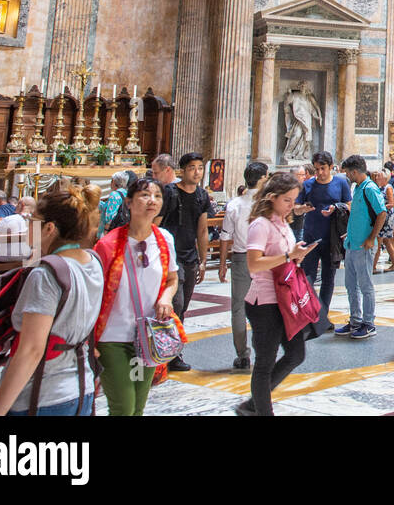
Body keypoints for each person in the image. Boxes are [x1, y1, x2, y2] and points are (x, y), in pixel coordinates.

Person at [0, 181, 103, 416]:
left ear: (49, 228)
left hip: (42, 395)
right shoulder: (93, 262)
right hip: (81, 386)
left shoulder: (46, 275)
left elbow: (31, 351)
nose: (28, 226)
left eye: (32, 221)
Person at [93, 176, 181, 415]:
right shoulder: (107, 244)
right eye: (144, 195)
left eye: (157, 196)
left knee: (138, 407)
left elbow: (172, 280)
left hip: (148, 336)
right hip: (112, 336)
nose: (152, 201)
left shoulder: (164, 240)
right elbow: (93, 294)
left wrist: (166, 297)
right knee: (123, 406)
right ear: (129, 202)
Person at [238, 171, 314, 416]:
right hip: (264, 302)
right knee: (264, 363)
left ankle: (254, 402)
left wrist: (297, 254)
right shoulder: (261, 224)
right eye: (287, 200)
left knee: (296, 354)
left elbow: (286, 257)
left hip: (285, 299)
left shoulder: (283, 222)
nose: (292, 206)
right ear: (272, 197)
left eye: (294, 200)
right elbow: (253, 264)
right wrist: (287, 256)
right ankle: (261, 410)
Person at [156, 152, 212, 370]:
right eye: (192, 168)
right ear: (182, 170)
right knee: (175, 303)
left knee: (183, 306)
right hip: (170, 256)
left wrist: (203, 260)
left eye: (200, 167)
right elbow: (157, 225)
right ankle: (168, 353)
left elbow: (202, 229)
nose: (197, 172)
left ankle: (172, 349)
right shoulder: (169, 193)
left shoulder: (202, 195)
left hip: (189, 256)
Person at [218, 160, 269, 370]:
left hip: (240, 258)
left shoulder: (234, 205)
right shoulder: (266, 204)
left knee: (238, 308)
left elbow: (225, 236)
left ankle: (243, 354)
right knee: (265, 307)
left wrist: (222, 264)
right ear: (262, 179)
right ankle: (265, 352)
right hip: (264, 259)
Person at [295, 151, 351, 334]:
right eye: (317, 169)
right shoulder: (307, 185)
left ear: (331, 166)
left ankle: (322, 315)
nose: (319, 173)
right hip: (311, 236)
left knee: (329, 278)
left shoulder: (341, 183)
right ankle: (314, 314)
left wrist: (337, 208)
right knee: (307, 277)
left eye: (323, 169)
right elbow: (295, 209)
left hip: (332, 237)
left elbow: (349, 205)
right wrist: (302, 208)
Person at [337, 154, 387, 339]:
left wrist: (371, 238)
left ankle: (369, 323)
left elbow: (382, 214)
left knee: (365, 285)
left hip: (364, 245)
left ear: (355, 171)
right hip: (351, 243)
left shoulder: (370, 189)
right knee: (351, 284)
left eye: (348, 173)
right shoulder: (357, 188)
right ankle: (355, 320)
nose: (347, 176)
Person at [0, 195, 35, 263]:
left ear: (21, 204)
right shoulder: (36, 223)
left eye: (17, 204)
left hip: (3, 258)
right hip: (25, 257)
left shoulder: (9, 219)